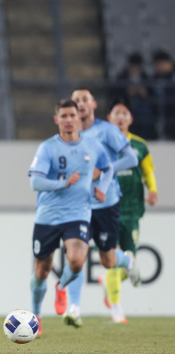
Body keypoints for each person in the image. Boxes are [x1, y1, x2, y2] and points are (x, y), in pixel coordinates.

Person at [29, 99, 113, 333]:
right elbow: (35, 181)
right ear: (56, 119)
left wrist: (103, 188)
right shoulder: (48, 148)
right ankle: (36, 314)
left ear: (79, 118)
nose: (68, 120)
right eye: (63, 116)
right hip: (47, 216)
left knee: (76, 261)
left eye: (71, 115)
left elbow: (108, 168)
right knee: (41, 271)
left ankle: (61, 285)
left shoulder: (93, 146)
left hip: (78, 214)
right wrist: (64, 182)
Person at [64, 88, 139, 326]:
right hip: (79, 204)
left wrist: (104, 170)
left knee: (107, 261)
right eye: (77, 100)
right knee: (77, 256)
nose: (81, 104)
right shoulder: (68, 135)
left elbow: (131, 159)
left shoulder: (106, 130)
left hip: (106, 202)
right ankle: (73, 308)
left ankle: (126, 261)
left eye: (85, 99)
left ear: (93, 104)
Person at [98, 99, 158, 323]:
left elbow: (148, 171)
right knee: (112, 257)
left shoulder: (140, 146)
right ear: (109, 118)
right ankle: (116, 310)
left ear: (130, 119)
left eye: (125, 113)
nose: (121, 117)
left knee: (128, 257)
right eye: (117, 113)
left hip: (132, 210)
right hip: (108, 208)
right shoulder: (102, 145)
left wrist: (152, 189)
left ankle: (107, 282)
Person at [113, 52, 156, 139]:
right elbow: (115, 93)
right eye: (133, 66)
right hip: (126, 105)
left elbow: (152, 94)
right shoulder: (121, 77)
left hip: (142, 105)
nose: (135, 69)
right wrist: (127, 92)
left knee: (146, 113)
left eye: (137, 67)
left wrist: (145, 93)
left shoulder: (145, 77)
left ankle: (145, 137)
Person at [151, 49, 175, 139]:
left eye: (163, 64)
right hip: (159, 111)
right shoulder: (153, 79)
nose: (161, 67)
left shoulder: (172, 78)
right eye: (158, 64)